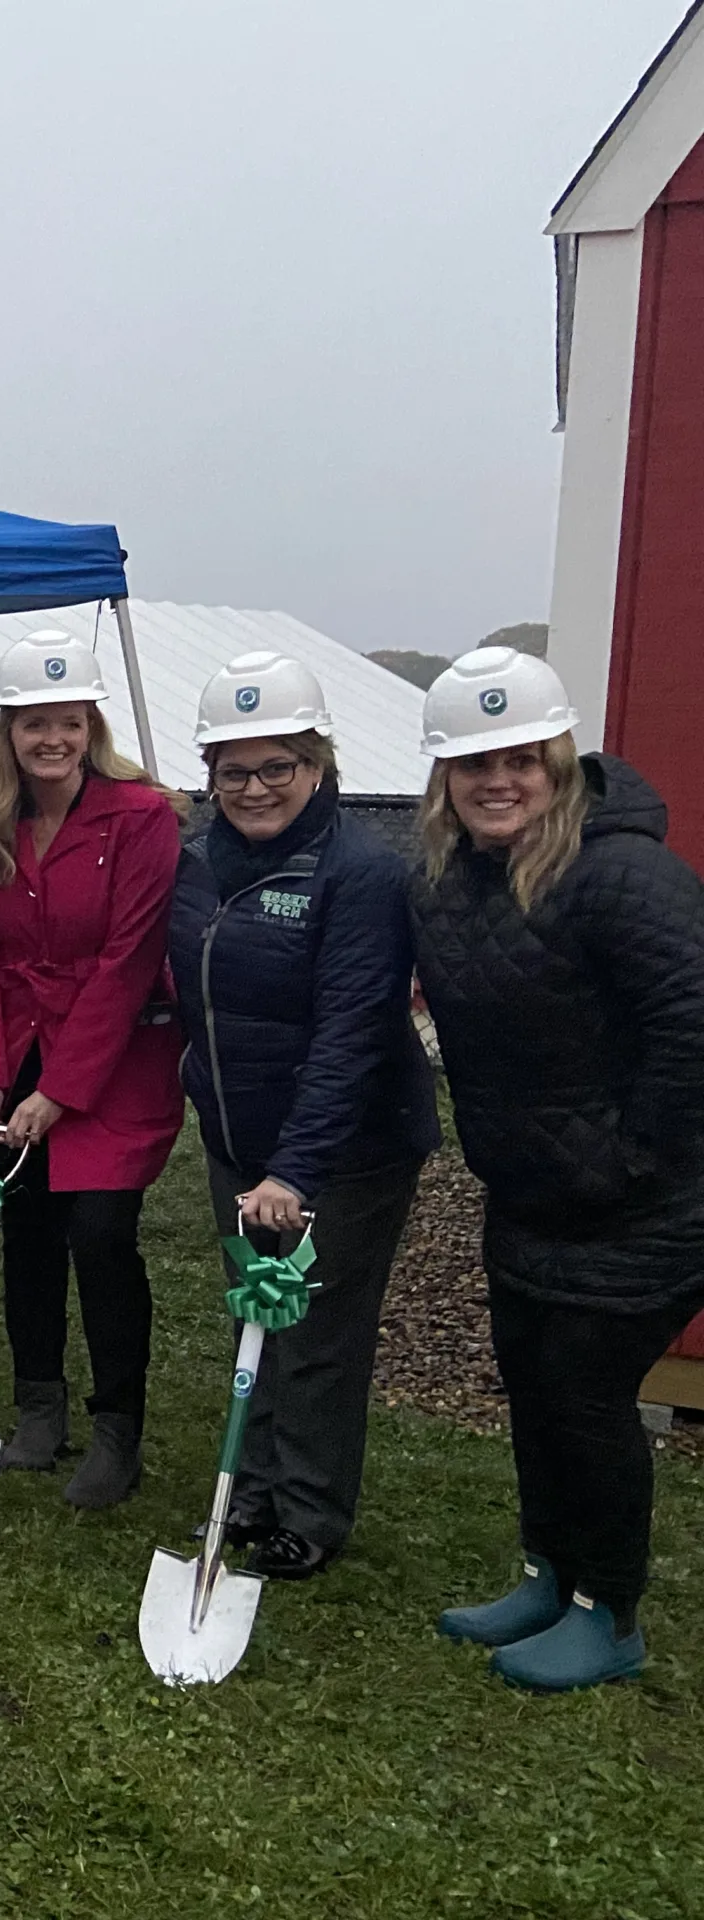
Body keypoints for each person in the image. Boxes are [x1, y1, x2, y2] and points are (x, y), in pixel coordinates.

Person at [413, 648, 704, 1692]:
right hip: (529, 1193)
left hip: (643, 1205)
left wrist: (635, 1157)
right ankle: (547, 1573)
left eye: (520, 758)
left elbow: (690, 1022)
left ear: (558, 759)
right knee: (533, 1388)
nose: (498, 780)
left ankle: (608, 1611)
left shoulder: (625, 873)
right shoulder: (449, 882)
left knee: (585, 1399)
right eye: (473, 763)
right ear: (444, 777)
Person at [167, 652, 438, 1578]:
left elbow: (352, 1034)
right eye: (234, 770)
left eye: (278, 765)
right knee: (258, 1308)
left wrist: (295, 1171)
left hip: (344, 1151)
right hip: (237, 1139)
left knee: (316, 1329)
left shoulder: (359, 873)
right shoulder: (197, 861)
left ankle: (310, 1512)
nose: (255, 788)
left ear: (318, 766)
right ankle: (258, 1480)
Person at [0, 631, 183, 1509]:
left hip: (113, 1058)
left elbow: (130, 959)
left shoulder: (140, 817)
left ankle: (118, 1426)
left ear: (92, 725)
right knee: (29, 1230)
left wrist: (59, 1092)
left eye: (70, 722)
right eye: (35, 724)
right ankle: (36, 1405)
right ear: (9, 731)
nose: (54, 739)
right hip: (16, 1044)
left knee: (101, 1233)